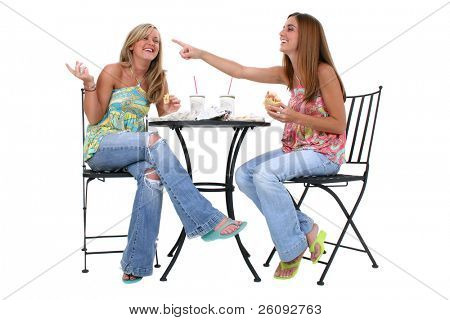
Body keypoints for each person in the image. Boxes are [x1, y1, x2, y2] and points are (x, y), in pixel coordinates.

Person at [66, 23, 247, 284]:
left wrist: (169, 106)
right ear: (132, 44)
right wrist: (90, 84)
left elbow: (164, 117)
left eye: (157, 40)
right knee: (152, 140)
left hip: (137, 150)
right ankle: (206, 219)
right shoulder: (112, 71)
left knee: (152, 177)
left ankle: (135, 264)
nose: (153, 43)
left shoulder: (158, 77)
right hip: (103, 147)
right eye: (146, 38)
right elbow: (94, 118)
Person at [173, 13, 346, 279]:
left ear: (308, 37)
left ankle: (291, 249)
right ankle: (307, 228)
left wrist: (294, 116)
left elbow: (338, 125)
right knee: (244, 174)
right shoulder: (290, 74)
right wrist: (201, 54)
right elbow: (240, 71)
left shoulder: (324, 72)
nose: (282, 32)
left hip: (324, 154)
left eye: (290, 29)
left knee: (265, 175)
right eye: (283, 27)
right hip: (298, 151)